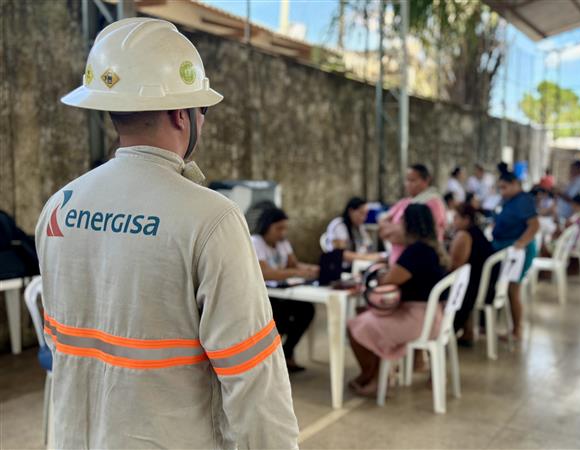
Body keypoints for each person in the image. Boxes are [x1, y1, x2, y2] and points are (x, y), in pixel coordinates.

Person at [35, 18, 298, 449]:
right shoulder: (212, 219)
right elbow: (254, 379)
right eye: (203, 110)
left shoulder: (60, 206)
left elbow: (61, 341)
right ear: (183, 113)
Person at [348, 204, 448, 396]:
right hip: (432, 315)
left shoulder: (416, 252)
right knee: (365, 315)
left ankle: (374, 378)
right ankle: (376, 376)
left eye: (401, 221)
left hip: (418, 319)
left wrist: (379, 274)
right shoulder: (433, 248)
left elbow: (387, 280)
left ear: (409, 225)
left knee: (355, 325)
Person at [252, 207, 319, 373]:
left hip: (283, 292)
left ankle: (287, 352)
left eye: (284, 228)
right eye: (278, 228)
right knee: (279, 318)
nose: (282, 233)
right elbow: (266, 273)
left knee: (306, 310)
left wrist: (312, 269)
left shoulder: (282, 243)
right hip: (264, 297)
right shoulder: (255, 242)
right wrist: (297, 272)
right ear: (266, 226)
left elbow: (294, 265)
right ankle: (271, 358)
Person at [492, 171, 539, 340]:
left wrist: (520, 244)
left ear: (515, 184)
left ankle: (517, 330)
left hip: (517, 252)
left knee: (514, 289)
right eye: (500, 188)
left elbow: (534, 225)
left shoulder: (523, 201)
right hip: (505, 246)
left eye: (504, 187)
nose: (502, 191)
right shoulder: (509, 201)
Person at [380, 164, 447, 265]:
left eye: (412, 180)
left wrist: (396, 232)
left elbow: (423, 236)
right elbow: (382, 226)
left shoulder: (432, 203)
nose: (408, 184)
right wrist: (398, 231)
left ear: (426, 180)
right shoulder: (404, 202)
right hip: (397, 262)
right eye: (407, 180)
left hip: (417, 263)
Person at [449, 203, 494, 346]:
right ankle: (467, 331)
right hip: (486, 284)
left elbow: (456, 266)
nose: (453, 221)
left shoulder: (464, 235)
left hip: (473, 288)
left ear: (466, 219)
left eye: (456, 218)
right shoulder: (477, 232)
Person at [325, 197, 383, 264]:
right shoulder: (339, 225)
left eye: (366, 214)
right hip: (341, 267)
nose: (364, 218)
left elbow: (368, 246)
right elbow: (342, 255)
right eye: (361, 213)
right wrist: (369, 257)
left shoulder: (359, 227)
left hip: (358, 264)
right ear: (351, 211)